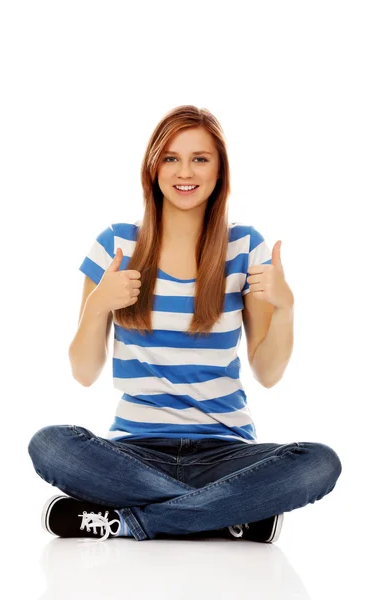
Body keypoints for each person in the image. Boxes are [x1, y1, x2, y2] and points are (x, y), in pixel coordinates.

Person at [28, 105, 342, 543]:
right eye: (171, 157)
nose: (184, 171)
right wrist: (98, 306)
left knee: (319, 462)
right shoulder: (117, 244)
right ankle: (233, 512)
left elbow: (268, 374)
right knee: (50, 444)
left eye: (200, 158)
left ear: (219, 170)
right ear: (153, 167)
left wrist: (286, 308)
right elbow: (84, 373)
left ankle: (130, 521)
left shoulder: (244, 247)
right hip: (133, 452)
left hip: (227, 452)